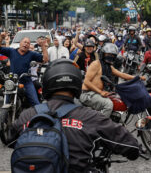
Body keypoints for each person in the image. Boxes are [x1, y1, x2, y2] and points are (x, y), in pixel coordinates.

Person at [4, 59, 140, 172]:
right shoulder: (91, 117)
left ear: (46, 83)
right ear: (76, 84)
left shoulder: (28, 114)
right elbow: (131, 146)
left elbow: (10, 140)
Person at [80, 43, 143, 117]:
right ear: (103, 54)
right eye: (108, 54)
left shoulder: (108, 66)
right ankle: (100, 126)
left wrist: (137, 77)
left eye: (112, 55)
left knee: (119, 98)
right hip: (88, 94)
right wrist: (100, 92)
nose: (110, 57)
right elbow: (86, 81)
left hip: (97, 94)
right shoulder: (96, 64)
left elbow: (122, 74)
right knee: (108, 104)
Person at [0, 33, 48, 106]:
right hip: (13, 81)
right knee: (6, 102)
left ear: (29, 46)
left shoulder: (31, 54)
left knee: (36, 103)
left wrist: (43, 46)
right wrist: (1, 37)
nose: (26, 44)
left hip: (26, 81)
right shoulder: (11, 51)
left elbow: (45, 60)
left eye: (28, 43)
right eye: (24, 42)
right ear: (20, 43)